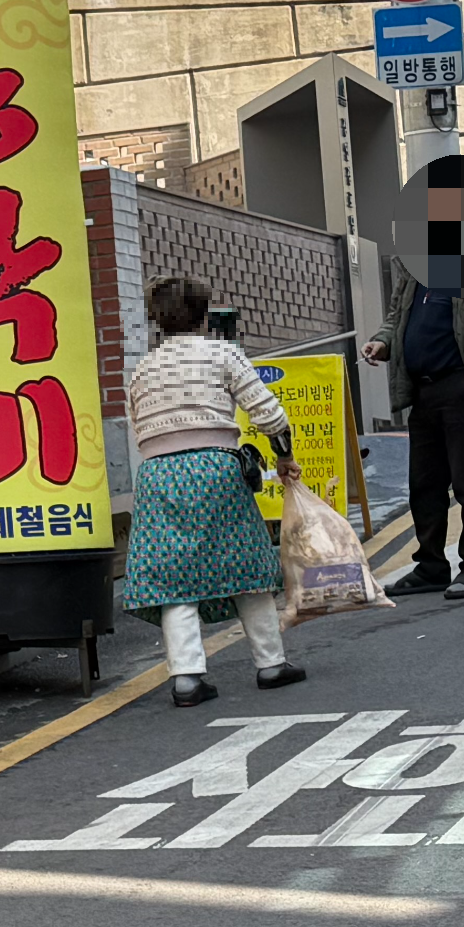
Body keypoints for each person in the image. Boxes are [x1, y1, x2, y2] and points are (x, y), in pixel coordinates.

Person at [120, 275, 304, 706]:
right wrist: (283, 456)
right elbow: (270, 413)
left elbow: (136, 425)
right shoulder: (223, 353)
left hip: (158, 474)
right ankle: (271, 663)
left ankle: (186, 679)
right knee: (246, 561)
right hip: (215, 468)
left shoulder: (143, 368)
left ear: (155, 320)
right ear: (203, 314)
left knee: (172, 574)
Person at [364, 211, 464, 601]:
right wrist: (383, 342)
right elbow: (397, 320)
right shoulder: (415, 274)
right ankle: (431, 566)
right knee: (424, 484)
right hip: (423, 393)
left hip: (463, 390)